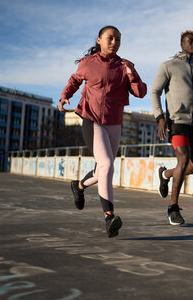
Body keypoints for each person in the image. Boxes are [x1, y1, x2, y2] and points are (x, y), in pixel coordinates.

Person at [59, 25, 147, 237]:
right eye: (110, 38)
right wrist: (65, 96)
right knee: (107, 164)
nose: (114, 42)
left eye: (118, 39)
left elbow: (140, 92)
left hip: (114, 123)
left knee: (103, 171)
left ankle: (79, 186)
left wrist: (132, 73)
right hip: (92, 120)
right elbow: (75, 80)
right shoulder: (88, 63)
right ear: (99, 40)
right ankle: (109, 217)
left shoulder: (124, 65)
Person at [150, 30, 193, 226]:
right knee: (183, 157)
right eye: (190, 41)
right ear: (182, 44)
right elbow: (155, 91)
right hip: (176, 121)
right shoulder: (169, 66)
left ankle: (165, 174)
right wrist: (160, 117)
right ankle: (173, 208)